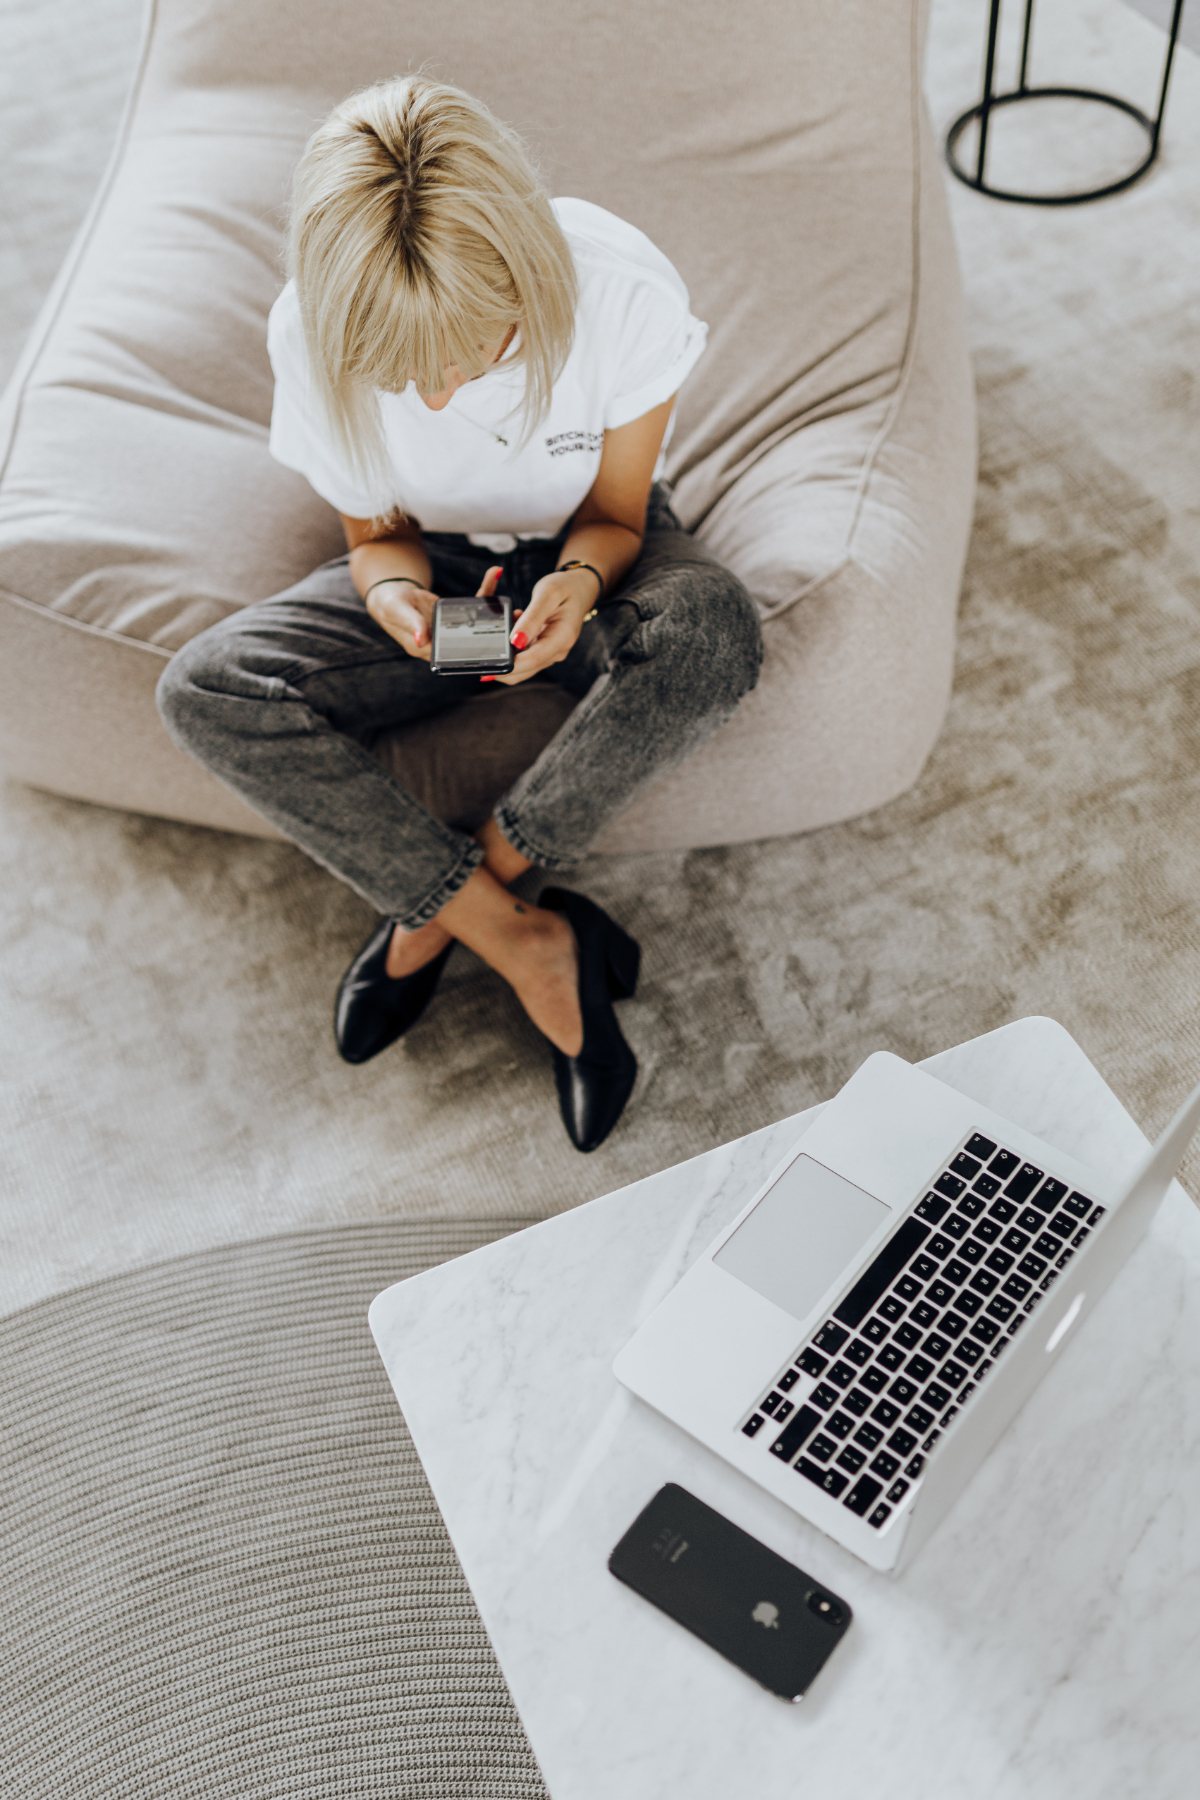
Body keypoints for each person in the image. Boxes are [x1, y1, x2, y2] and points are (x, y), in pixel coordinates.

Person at [158, 75, 762, 1153]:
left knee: (711, 634)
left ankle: (432, 917)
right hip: (440, 575)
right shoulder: (312, 329)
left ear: (526, 279)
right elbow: (373, 538)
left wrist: (576, 591)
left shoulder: (618, 289)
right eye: (402, 374)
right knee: (206, 690)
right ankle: (520, 938)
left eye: (473, 357)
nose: (434, 399)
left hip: (588, 554)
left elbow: (617, 515)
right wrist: (397, 601)